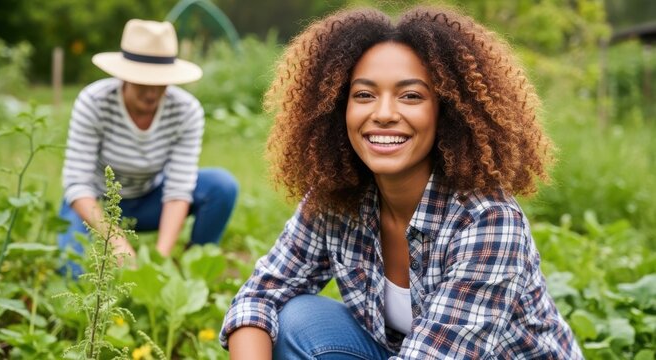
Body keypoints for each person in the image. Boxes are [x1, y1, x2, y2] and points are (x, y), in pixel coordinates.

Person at [219, 6, 583, 360]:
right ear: (336, 107)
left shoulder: (488, 221)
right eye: (364, 95)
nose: (384, 114)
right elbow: (260, 295)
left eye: (411, 96)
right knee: (298, 320)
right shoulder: (337, 198)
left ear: (447, 112)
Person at [58, 19, 238, 274]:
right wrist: (117, 242)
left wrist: (157, 264)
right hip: (94, 200)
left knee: (222, 186)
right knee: (71, 270)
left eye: (161, 82)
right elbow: (76, 184)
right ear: (124, 76)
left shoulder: (186, 110)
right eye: (143, 82)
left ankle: (193, 271)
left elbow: (178, 189)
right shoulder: (94, 102)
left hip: (149, 200)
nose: (152, 92)